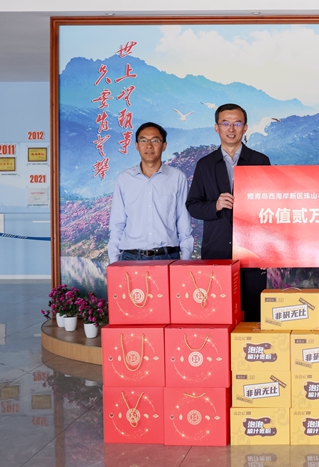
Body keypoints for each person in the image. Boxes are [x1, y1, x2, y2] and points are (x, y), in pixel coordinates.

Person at [186, 103, 271, 320]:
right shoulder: (205, 165)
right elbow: (193, 205)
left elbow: (270, 204)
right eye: (225, 123)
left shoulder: (260, 161)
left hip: (252, 251)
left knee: (254, 313)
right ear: (216, 127)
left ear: (245, 128)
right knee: (217, 313)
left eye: (237, 123)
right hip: (216, 249)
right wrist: (215, 205)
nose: (231, 129)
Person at [107, 122, 193, 262]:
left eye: (155, 140)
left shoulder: (177, 178)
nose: (149, 145)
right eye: (143, 140)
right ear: (136, 145)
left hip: (167, 257)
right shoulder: (124, 179)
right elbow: (117, 224)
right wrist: (113, 261)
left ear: (164, 145)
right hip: (131, 258)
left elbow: (184, 222)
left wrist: (186, 260)